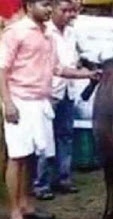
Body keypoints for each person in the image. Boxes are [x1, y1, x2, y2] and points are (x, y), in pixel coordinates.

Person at [0, 0, 100, 219]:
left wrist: (87, 73)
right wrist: (9, 103)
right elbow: (1, 69)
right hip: (20, 100)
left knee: (32, 157)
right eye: (45, 4)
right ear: (29, 5)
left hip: (40, 101)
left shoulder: (48, 35)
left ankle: (26, 204)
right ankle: (15, 215)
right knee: (17, 157)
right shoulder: (16, 32)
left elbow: (58, 68)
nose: (48, 9)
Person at [32, 0, 81, 201]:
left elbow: (74, 59)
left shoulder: (71, 32)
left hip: (68, 90)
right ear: (53, 10)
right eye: (64, 10)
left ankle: (63, 178)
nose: (69, 14)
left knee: (65, 135)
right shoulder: (45, 32)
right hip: (48, 91)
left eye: (72, 10)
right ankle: (40, 184)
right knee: (43, 139)